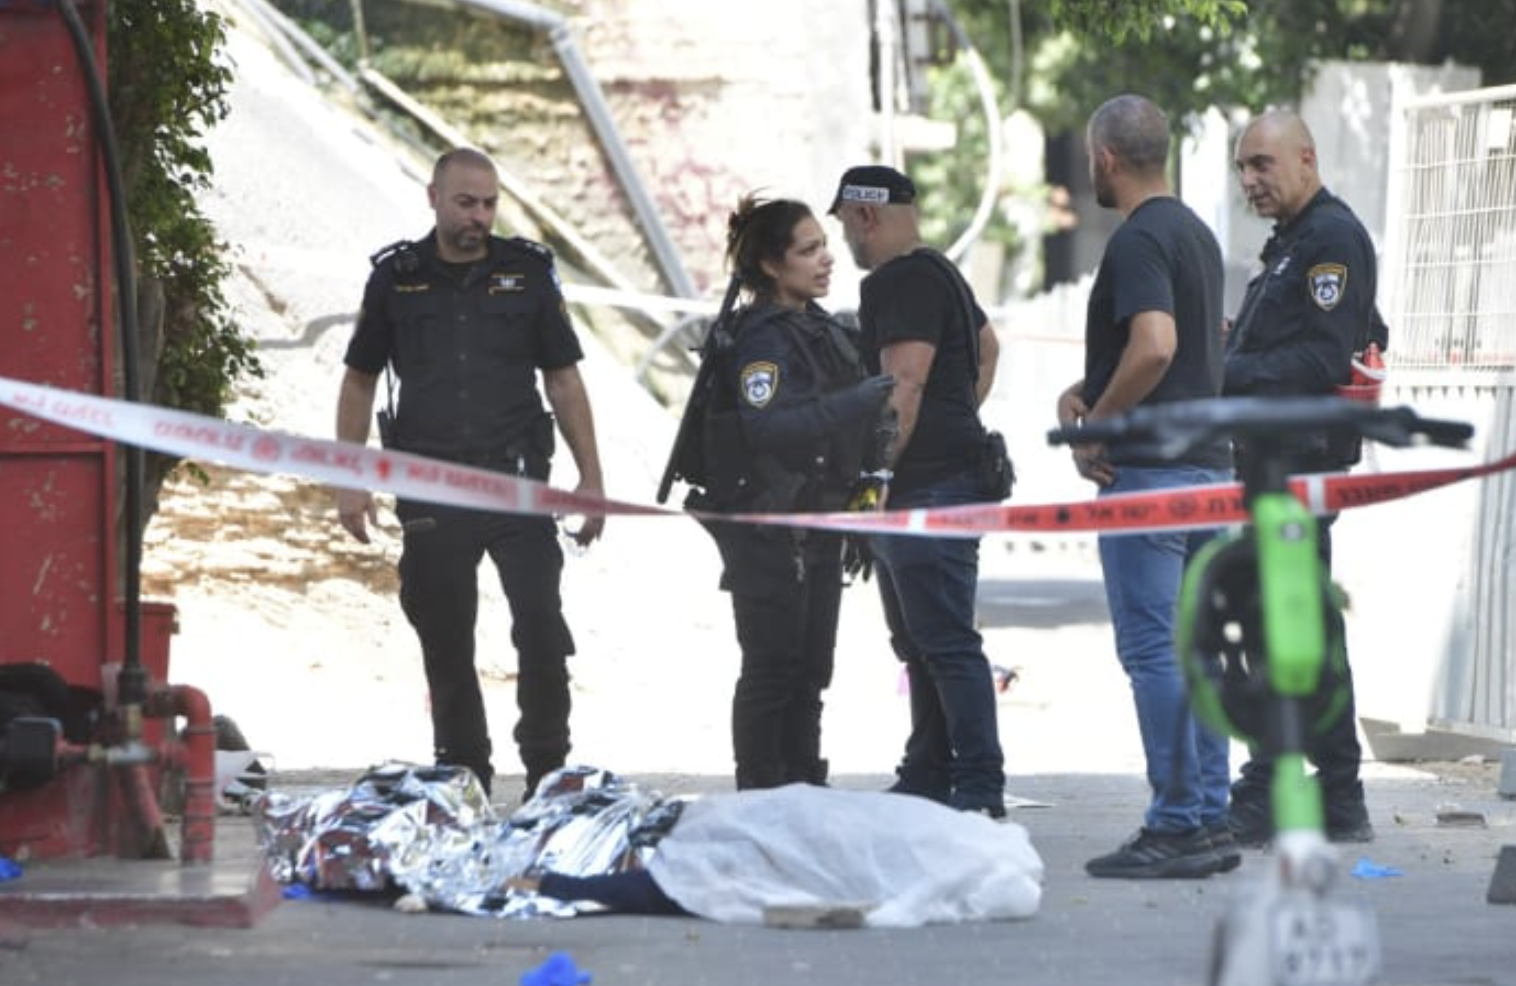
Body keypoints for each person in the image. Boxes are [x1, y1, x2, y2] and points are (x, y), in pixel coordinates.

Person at [334, 147, 605, 801]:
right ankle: (464, 771)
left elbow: (563, 379)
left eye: (489, 204)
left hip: (517, 480)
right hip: (431, 485)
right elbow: (359, 380)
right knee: (445, 632)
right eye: (466, 203)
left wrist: (590, 478)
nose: (479, 217)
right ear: (433, 198)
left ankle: (547, 769)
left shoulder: (528, 274)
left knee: (541, 625)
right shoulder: (396, 279)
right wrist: (350, 476)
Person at [1055, 94, 1237, 878]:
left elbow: (1156, 348)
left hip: (1154, 476)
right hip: (1209, 467)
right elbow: (1179, 351)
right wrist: (1091, 388)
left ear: (1104, 159)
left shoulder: (1136, 241)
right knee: (1195, 650)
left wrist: (1097, 423)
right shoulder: (1194, 233)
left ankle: (1175, 824)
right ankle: (1211, 816)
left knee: (1155, 652)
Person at [691, 194, 895, 790]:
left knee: (811, 673)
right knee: (772, 669)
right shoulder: (762, 341)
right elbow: (768, 428)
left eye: (824, 245)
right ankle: (762, 794)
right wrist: (852, 403)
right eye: (809, 250)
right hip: (765, 528)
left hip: (819, 526)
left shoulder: (820, 328)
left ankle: (804, 788)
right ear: (773, 266)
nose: (826, 259)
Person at [829, 164, 1007, 818]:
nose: (845, 239)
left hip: (925, 484)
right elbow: (990, 350)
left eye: (846, 223)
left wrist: (874, 479)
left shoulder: (897, 281)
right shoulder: (941, 271)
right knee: (924, 641)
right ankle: (930, 770)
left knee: (945, 641)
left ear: (866, 215)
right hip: (951, 473)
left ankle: (979, 785)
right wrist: (960, 415)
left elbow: (903, 386)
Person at [1223, 109, 1378, 846]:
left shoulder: (1331, 240)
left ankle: (1279, 785)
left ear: (1306, 159)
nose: (1250, 180)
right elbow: (1362, 332)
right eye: (1243, 168)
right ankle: (1332, 794)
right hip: (1271, 464)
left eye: (1262, 164)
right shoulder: (1294, 243)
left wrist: (1222, 373)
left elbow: (1318, 363)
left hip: (1299, 469)